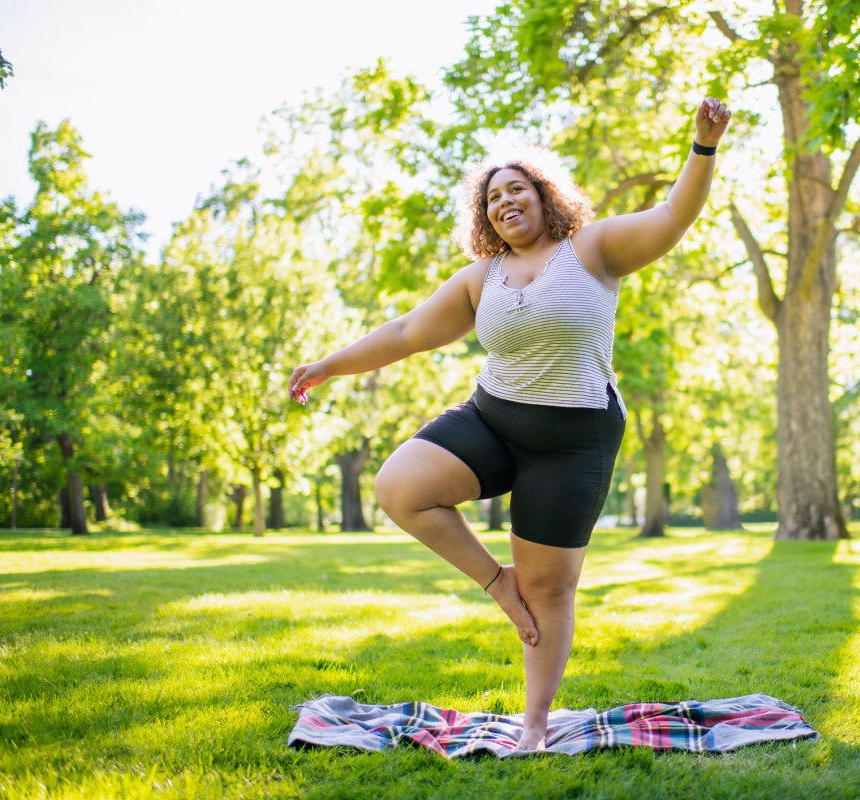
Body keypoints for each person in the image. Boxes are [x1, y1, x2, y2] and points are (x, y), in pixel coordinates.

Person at [287, 97, 731, 751]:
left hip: (574, 439)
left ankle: (534, 725)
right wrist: (329, 365)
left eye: (516, 189)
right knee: (400, 486)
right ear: (485, 215)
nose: (505, 202)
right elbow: (409, 332)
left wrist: (703, 146)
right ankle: (498, 583)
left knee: (551, 587)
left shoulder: (593, 248)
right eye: (493, 197)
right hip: (493, 420)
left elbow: (672, 217)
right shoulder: (481, 278)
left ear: (543, 197)